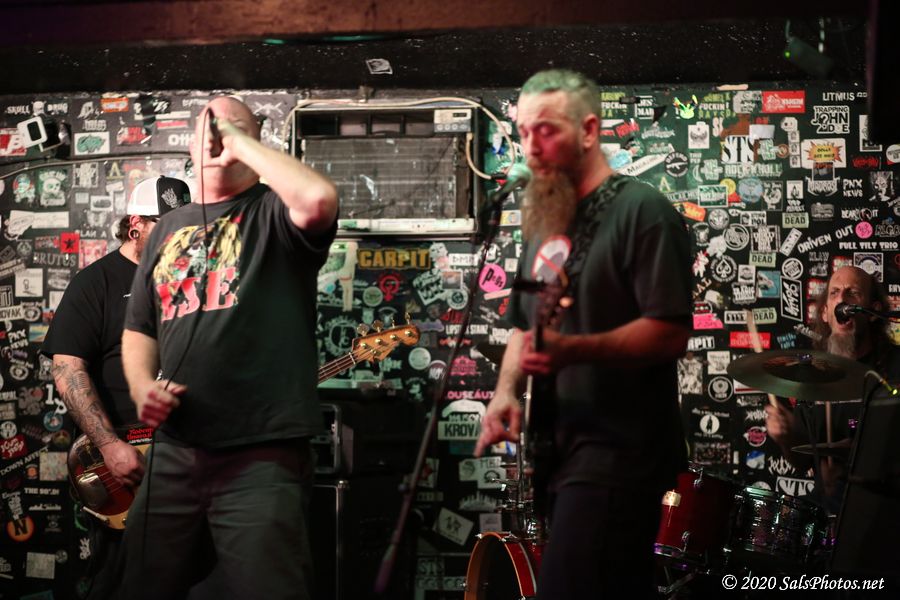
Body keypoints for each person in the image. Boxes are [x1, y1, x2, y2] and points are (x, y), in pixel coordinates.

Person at [473, 70, 693, 599]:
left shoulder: (643, 212)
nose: (531, 146)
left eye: (546, 130)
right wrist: (505, 393)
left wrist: (573, 350)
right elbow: (524, 325)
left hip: (621, 454)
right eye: (523, 132)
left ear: (589, 130)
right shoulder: (547, 221)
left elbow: (669, 333)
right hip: (559, 452)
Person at [120, 96, 338, 600]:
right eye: (209, 128)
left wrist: (237, 141)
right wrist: (141, 386)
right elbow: (139, 329)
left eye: (232, 127)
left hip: (261, 452)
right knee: (138, 585)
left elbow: (318, 199)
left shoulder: (274, 213)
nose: (217, 135)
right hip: (175, 449)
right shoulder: (167, 228)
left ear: (254, 140)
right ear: (190, 146)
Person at [41, 175, 190, 599]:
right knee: (117, 582)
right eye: (165, 227)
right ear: (135, 225)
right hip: (123, 465)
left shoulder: (190, 283)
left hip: (185, 457)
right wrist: (109, 445)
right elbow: (67, 370)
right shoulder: (96, 283)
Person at [765, 265, 900, 512]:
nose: (842, 300)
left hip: (886, 510)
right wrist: (786, 438)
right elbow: (802, 460)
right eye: (834, 293)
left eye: (853, 293)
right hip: (827, 512)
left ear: (873, 311)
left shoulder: (895, 367)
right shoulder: (812, 375)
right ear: (826, 313)